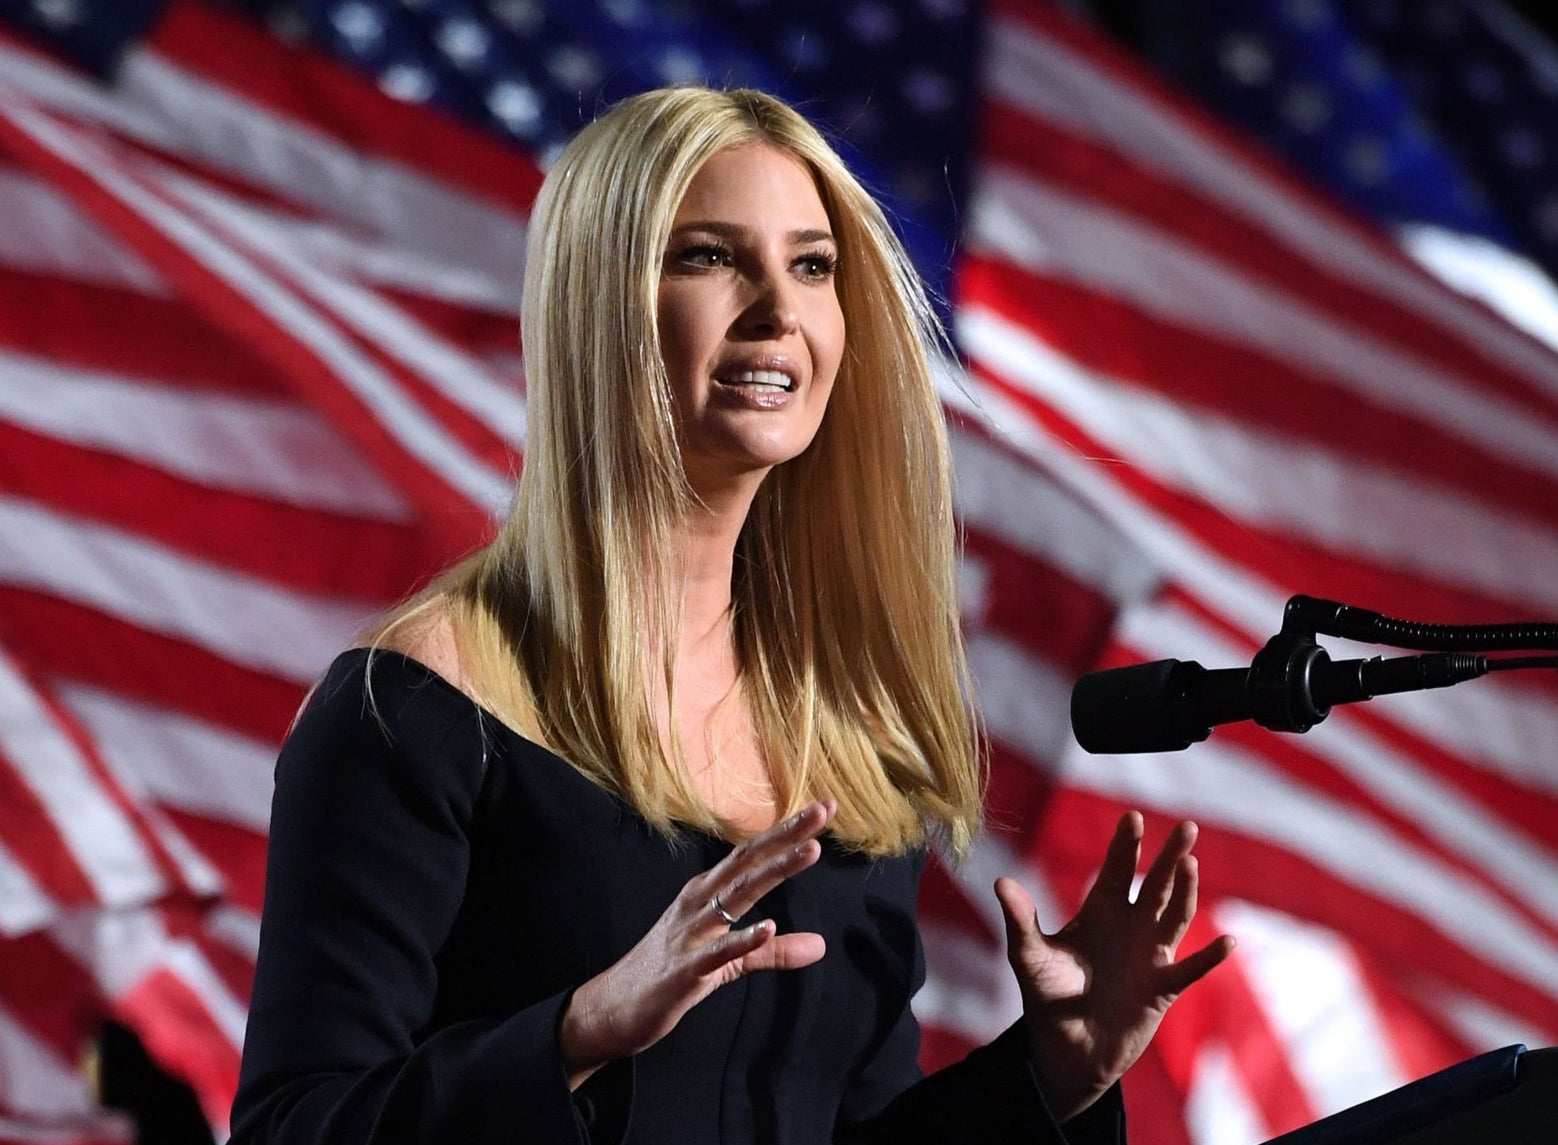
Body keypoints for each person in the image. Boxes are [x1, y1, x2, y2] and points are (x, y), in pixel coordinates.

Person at [229, 86, 1231, 1145]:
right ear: (598, 303)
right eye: (710, 256)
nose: (778, 309)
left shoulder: (838, 734)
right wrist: (578, 1031)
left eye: (809, 264)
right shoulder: (418, 704)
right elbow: (295, 1126)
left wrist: (1049, 1072)